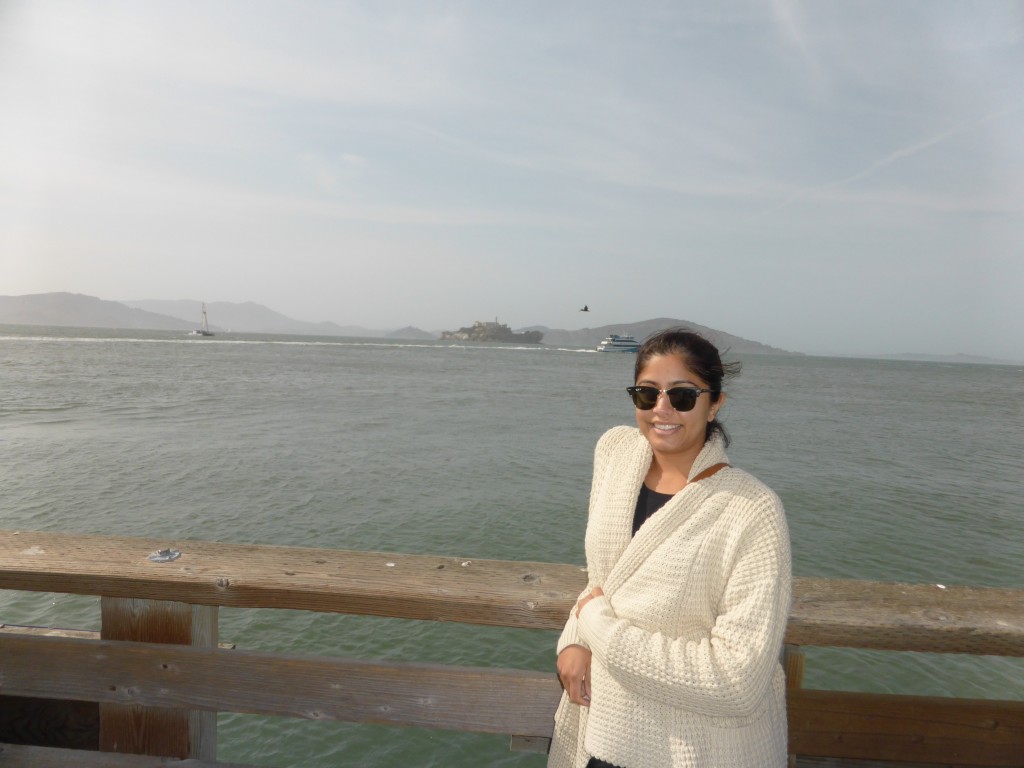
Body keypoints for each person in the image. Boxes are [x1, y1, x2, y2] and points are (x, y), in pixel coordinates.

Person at [549, 328, 791, 768]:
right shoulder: (616, 453)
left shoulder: (751, 510)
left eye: (682, 396)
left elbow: (737, 682)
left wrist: (597, 629)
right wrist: (574, 639)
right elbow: (605, 579)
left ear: (715, 402)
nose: (662, 410)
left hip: (694, 750)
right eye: (646, 394)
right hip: (602, 732)